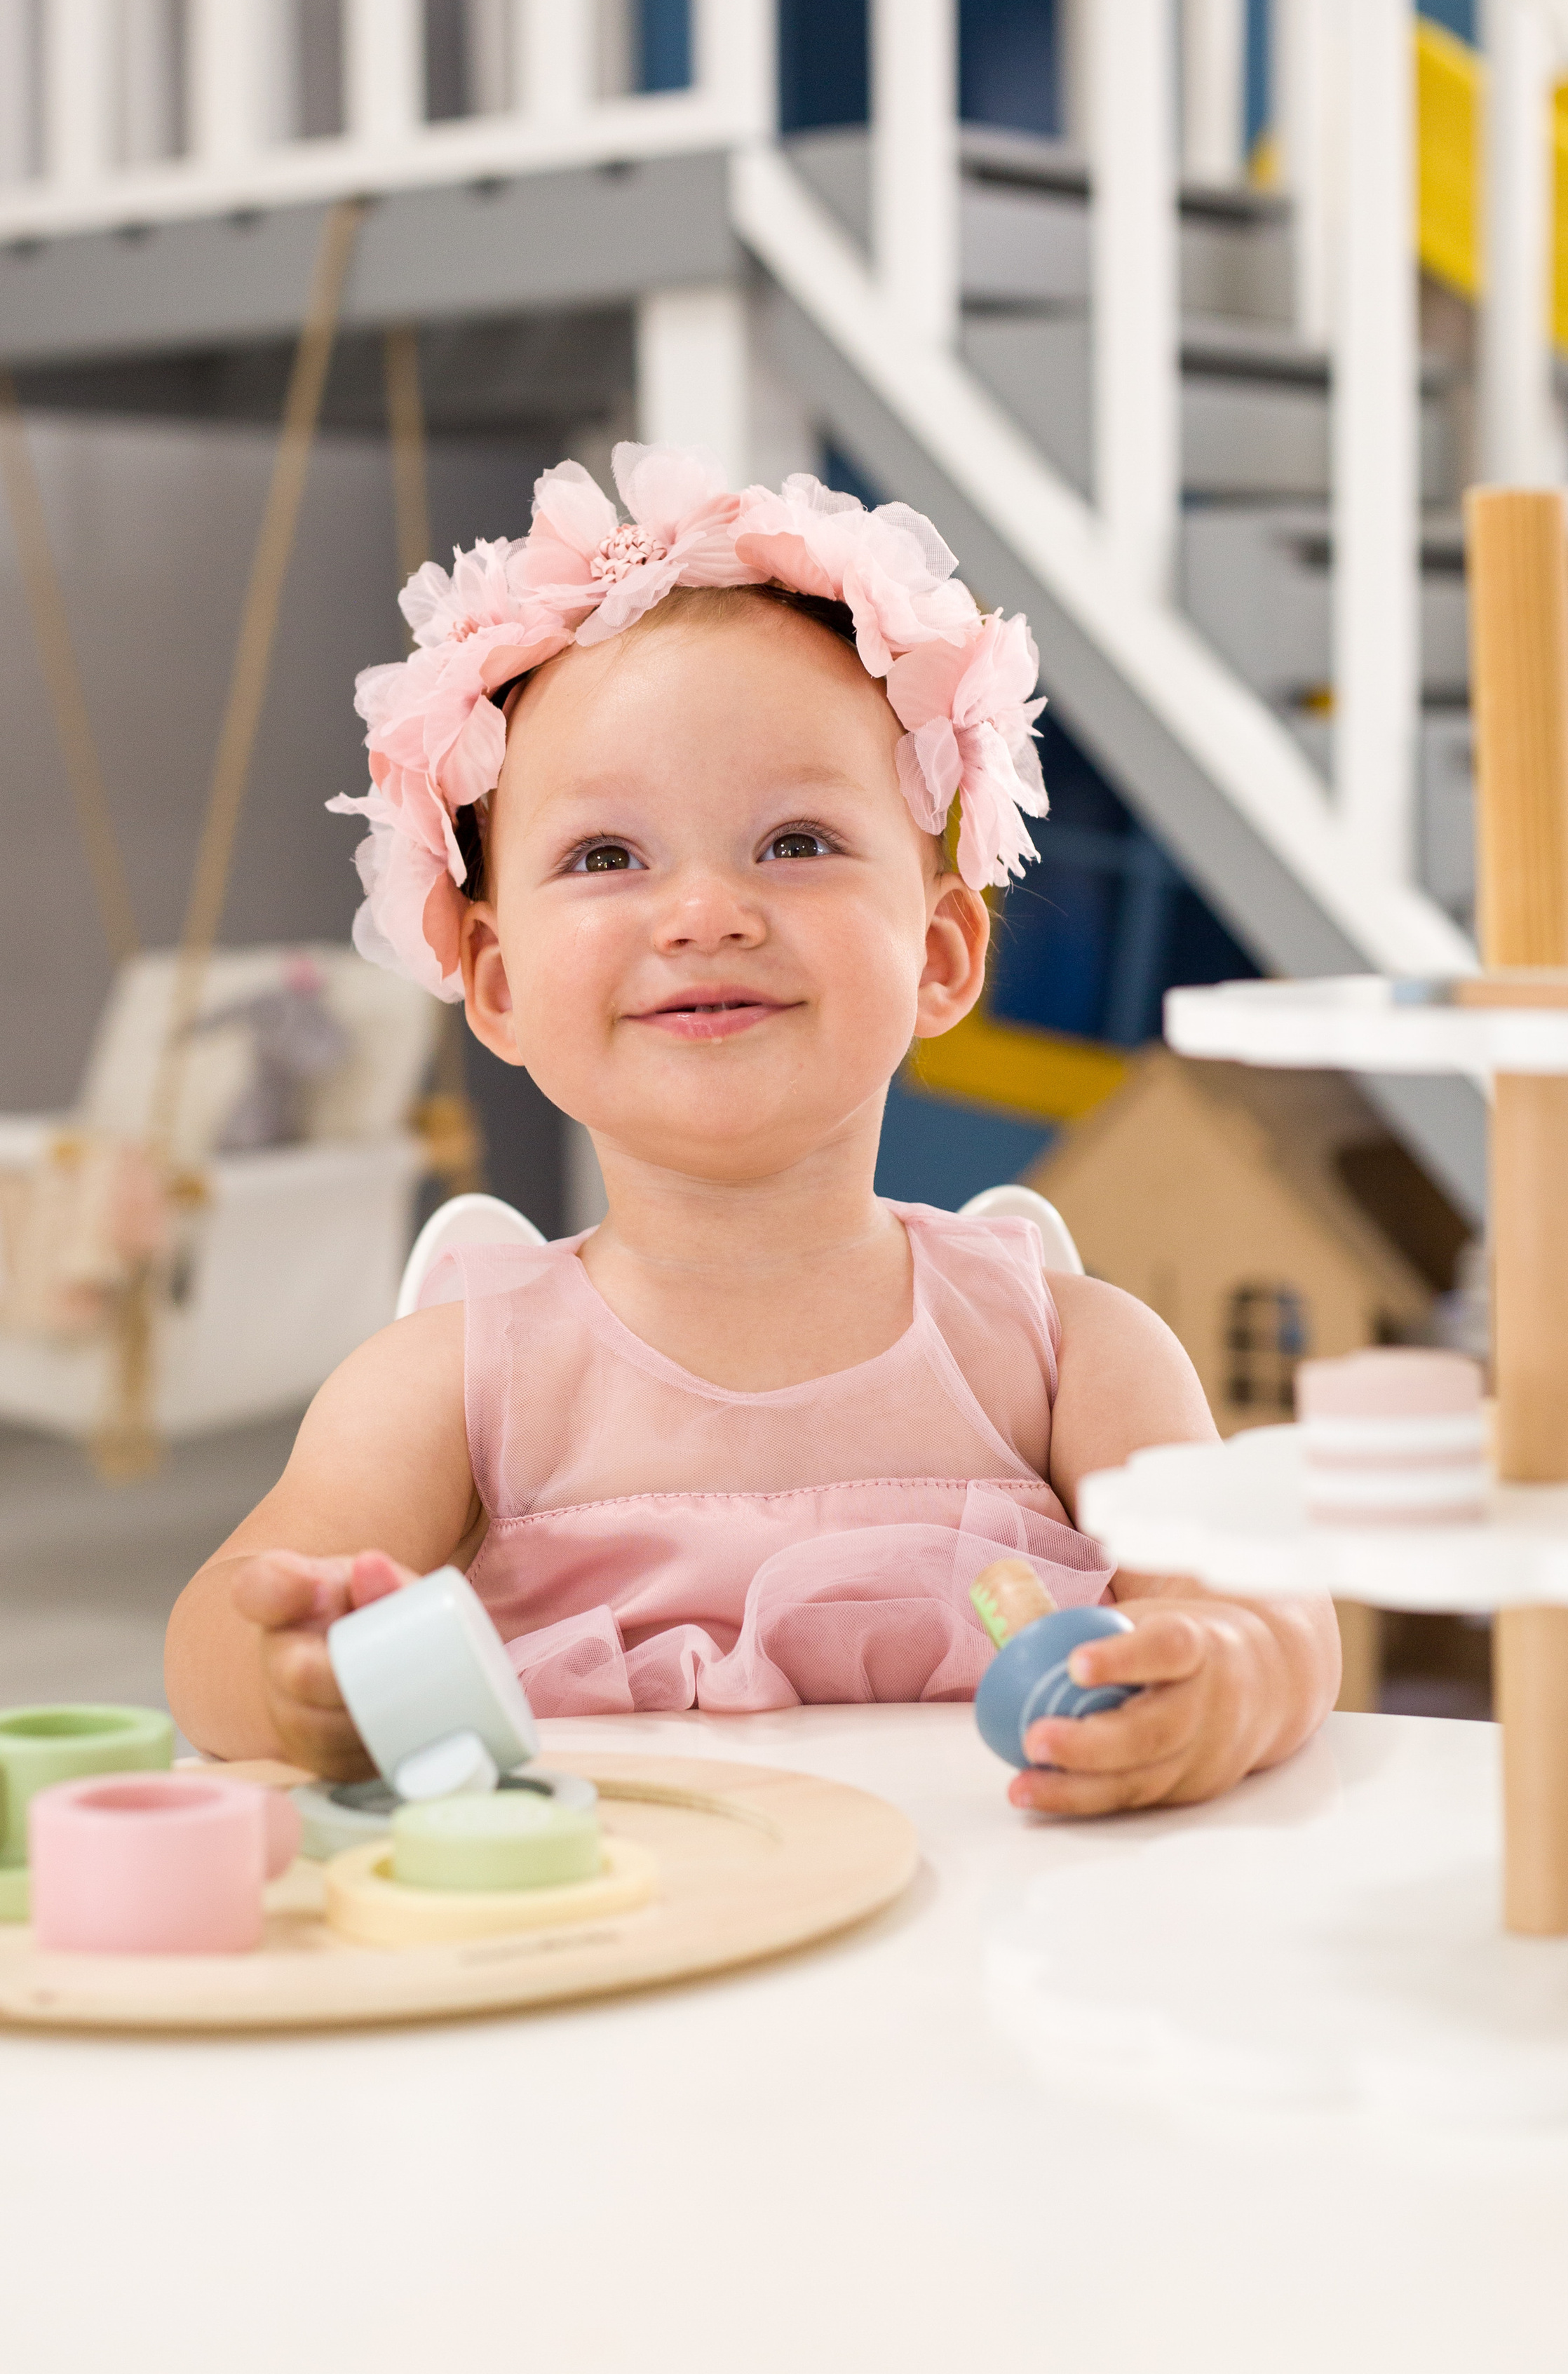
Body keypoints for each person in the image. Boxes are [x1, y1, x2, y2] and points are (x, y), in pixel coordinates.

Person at [165, 447, 1339, 1814]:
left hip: (980, 1983)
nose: (704, 911)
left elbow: (1270, 1616)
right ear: (494, 983)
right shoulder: (448, 1383)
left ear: (942, 954)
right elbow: (210, 1652)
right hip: (614, 1965)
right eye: (607, 858)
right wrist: (291, 1677)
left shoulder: (1068, 1354)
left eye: (794, 841)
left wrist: (1226, 1674)